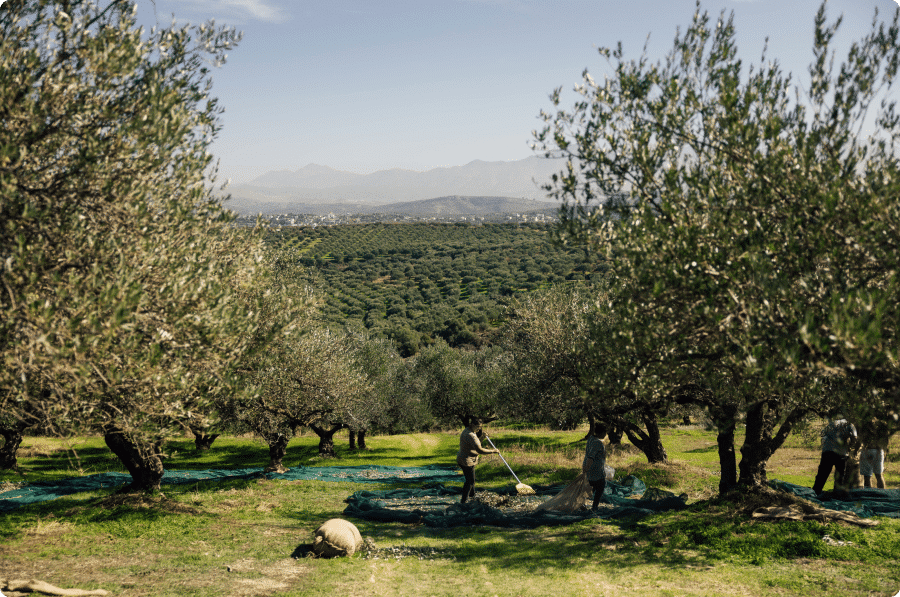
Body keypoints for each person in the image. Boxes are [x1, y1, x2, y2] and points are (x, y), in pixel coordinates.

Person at [456, 417, 499, 504]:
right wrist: (493, 451)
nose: (479, 428)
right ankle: (463, 502)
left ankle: (472, 497)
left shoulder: (468, 430)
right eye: (478, 427)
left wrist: (482, 437)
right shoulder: (471, 435)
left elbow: (475, 444)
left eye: (480, 427)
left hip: (464, 458)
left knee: (471, 480)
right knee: (470, 481)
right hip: (466, 460)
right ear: (472, 424)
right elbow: (480, 450)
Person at [812, 417, 858, 495]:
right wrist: (850, 446)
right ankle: (837, 494)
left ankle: (816, 492)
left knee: (822, 474)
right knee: (839, 476)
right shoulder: (850, 425)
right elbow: (854, 437)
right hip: (841, 453)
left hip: (827, 451)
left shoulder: (831, 423)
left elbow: (823, 434)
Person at [582, 421, 608, 510]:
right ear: (602, 432)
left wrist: (585, 468)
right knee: (600, 485)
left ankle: (583, 504)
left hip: (589, 468)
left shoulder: (591, 438)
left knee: (592, 486)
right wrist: (587, 467)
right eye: (605, 432)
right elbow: (591, 457)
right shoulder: (598, 443)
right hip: (595, 469)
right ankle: (594, 506)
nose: (606, 435)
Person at [859, 418, 890, 489]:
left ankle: (869, 495)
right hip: (878, 450)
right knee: (879, 475)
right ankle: (882, 494)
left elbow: (860, 438)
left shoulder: (864, 423)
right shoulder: (882, 424)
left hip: (867, 450)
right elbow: (886, 440)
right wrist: (884, 450)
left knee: (867, 476)